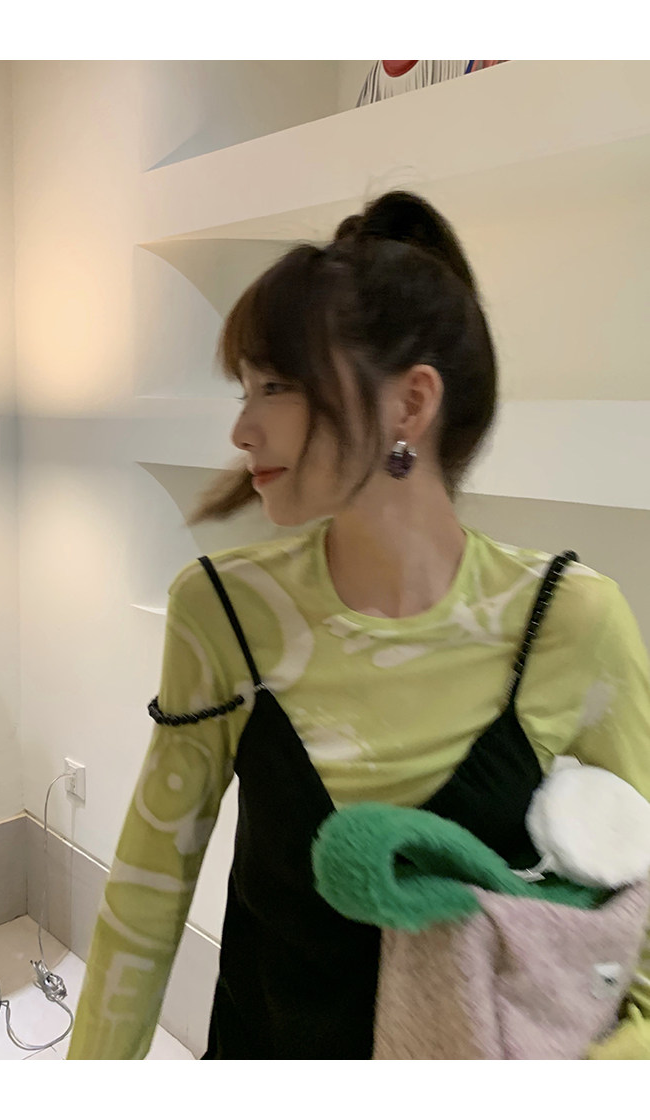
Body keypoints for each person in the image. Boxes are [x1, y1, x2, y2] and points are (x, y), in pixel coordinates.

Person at [67, 191, 650, 1060]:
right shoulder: (222, 610)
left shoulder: (572, 619)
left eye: (276, 386)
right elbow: (149, 892)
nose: (242, 427)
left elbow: (639, 915)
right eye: (245, 389)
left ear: (410, 405)